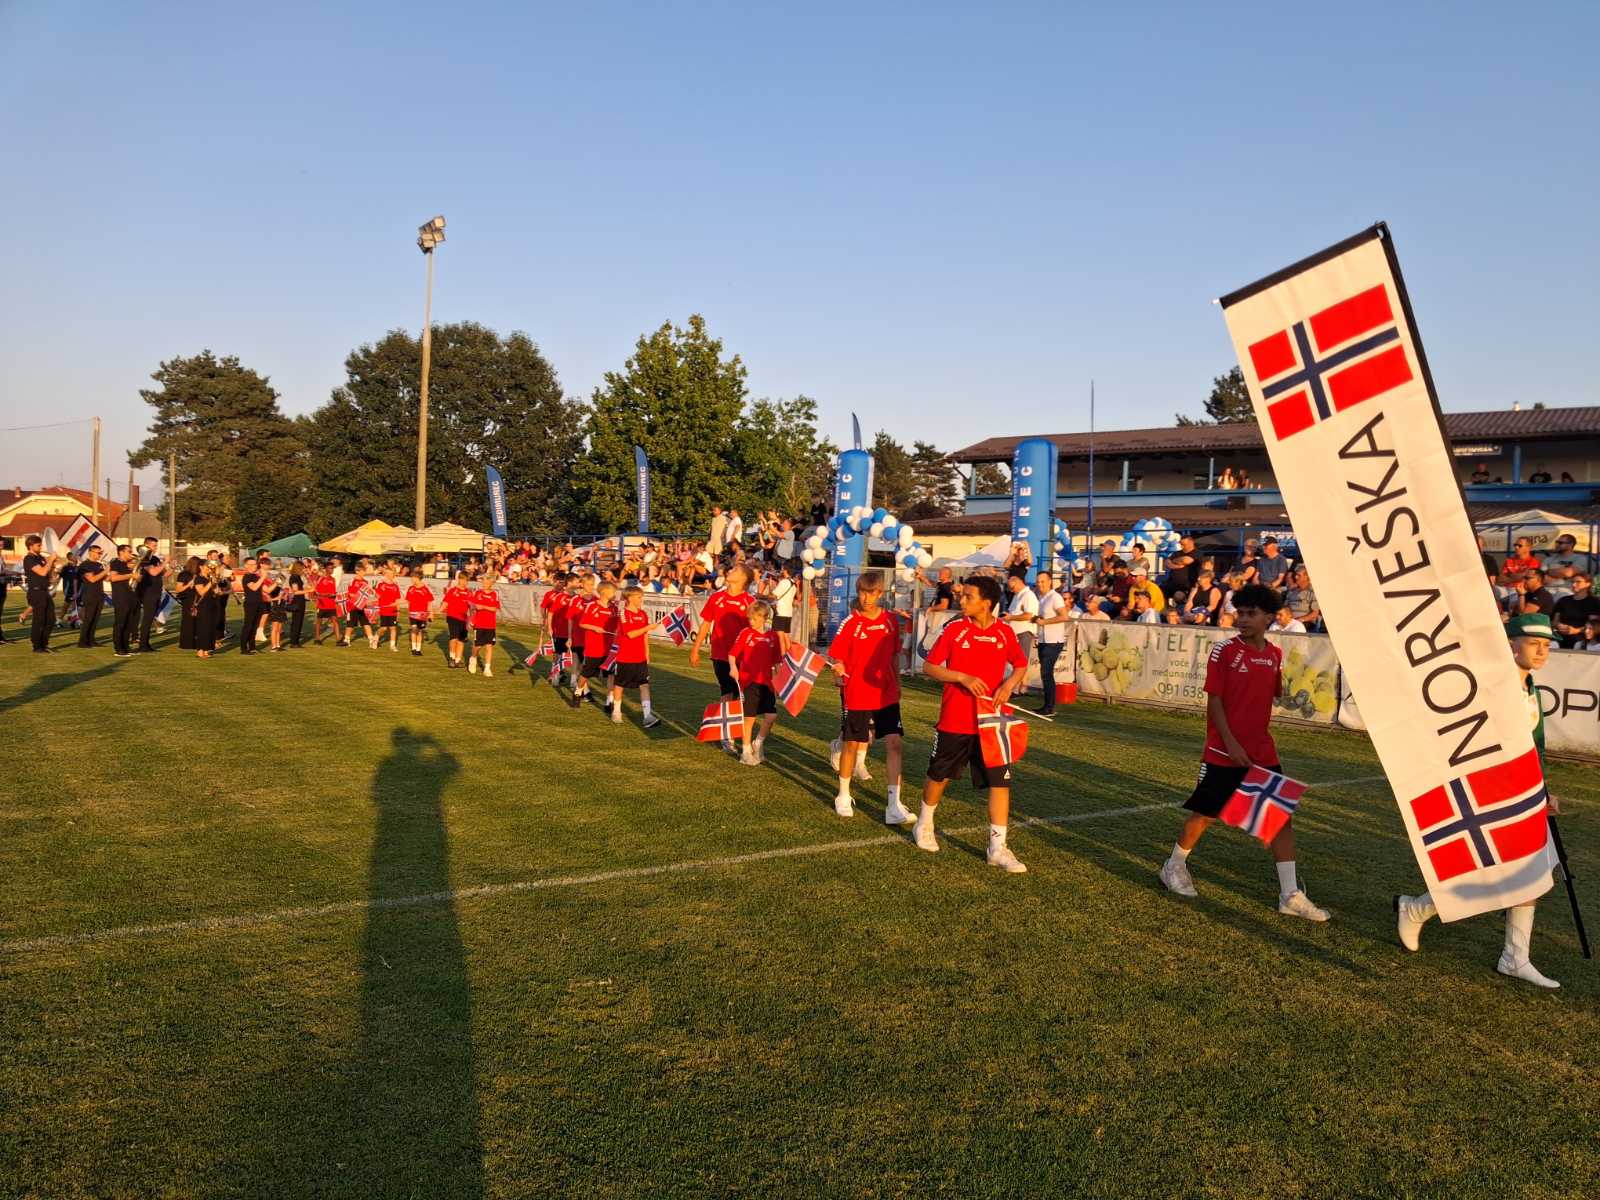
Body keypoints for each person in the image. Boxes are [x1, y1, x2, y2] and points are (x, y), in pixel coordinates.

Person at [1395, 613, 1562, 987]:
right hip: (1488, 793)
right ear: (1511, 645)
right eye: (1533, 643)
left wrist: (1543, 788)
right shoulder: (1492, 687)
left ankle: (1515, 957)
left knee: (1530, 872)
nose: (1541, 651)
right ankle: (1418, 908)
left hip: (1521, 794)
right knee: (1484, 870)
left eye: (1547, 645)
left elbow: (1535, 748)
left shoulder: (1531, 688)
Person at [1158, 584, 1328, 921]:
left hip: (1261, 750)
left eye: (1251, 613)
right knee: (1206, 814)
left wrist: (1298, 699)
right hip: (1223, 751)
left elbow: (1274, 694)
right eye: (1240, 612)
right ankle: (1173, 866)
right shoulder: (1223, 652)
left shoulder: (1275, 654)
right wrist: (1230, 743)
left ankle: (1290, 895)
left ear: (1270, 617)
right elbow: (1215, 701)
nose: (1243, 619)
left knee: (1279, 818)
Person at [912, 575, 1030, 873]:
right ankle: (924, 823)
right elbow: (930, 666)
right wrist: (962, 677)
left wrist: (1008, 685)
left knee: (1000, 782)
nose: (961, 600)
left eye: (967, 596)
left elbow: (1020, 663)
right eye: (961, 595)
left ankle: (997, 848)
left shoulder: (1004, 631)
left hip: (991, 722)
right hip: (955, 719)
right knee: (940, 776)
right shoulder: (955, 629)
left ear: (986, 603)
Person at [826, 572, 911, 821]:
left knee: (895, 744)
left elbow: (894, 655)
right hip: (858, 693)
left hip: (886, 693)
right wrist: (838, 670)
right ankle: (843, 795)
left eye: (871, 593)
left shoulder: (891, 621)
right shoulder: (850, 623)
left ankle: (894, 804)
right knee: (852, 743)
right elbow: (837, 657)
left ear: (880, 594)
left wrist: (897, 682)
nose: (866, 598)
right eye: (862, 592)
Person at [690, 564, 755, 750]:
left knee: (738, 695)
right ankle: (727, 736)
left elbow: (754, 630)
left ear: (743, 578)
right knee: (726, 692)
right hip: (720, 654)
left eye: (734, 570)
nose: (729, 571)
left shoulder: (749, 601)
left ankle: (731, 730)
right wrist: (695, 648)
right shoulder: (716, 597)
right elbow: (705, 624)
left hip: (742, 657)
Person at [729, 599, 785, 765]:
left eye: (754, 618)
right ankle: (745, 751)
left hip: (766, 683)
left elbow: (776, 662)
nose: (751, 621)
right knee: (750, 718)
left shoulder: (772, 636)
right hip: (749, 681)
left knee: (771, 716)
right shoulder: (746, 633)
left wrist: (778, 681)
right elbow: (732, 654)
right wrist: (733, 667)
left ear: (764, 618)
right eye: (750, 618)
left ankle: (758, 743)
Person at [607, 586, 663, 728]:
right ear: (629, 598)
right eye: (638, 597)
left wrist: (647, 653)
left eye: (641, 596)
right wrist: (648, 628)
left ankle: (647, 716)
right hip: (625, 657)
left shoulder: (643, 614)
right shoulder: (624, 614)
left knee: (644, 685)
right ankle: (617, 712)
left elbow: (644, 636)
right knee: (620, 685)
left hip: (640, 658)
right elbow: (631, 634)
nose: (641, 599)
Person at [1033, 570, 1070, 716]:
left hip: (1053, 641)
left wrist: (1044, 622)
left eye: (1042, 581)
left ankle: (1049, 707)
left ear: (1049, 582)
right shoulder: (1042, 598)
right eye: (1038, 582)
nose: (1040, 584)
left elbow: (1064, 616)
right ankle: (1047, 705)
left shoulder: (1055, 597)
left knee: (1046, 673)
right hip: (1043, 639)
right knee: (1045, 674)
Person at [574, 580, 618, 701]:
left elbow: (617, 625)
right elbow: (582, 623)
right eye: (613, 591)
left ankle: (609, 701)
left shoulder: (614, 608)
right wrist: (595, 628)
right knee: (587, 672)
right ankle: (578, 692)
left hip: (609, 647)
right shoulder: (592, 606)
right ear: (604, 592)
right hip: (594, 647)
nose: (615, 593)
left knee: (611, 674)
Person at [1002, 572, 1040, 697]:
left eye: (1012, 587)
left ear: (1018, 583)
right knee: (1018, 661)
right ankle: (1021, 687)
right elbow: (1014, 612)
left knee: (1020, 662)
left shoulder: (1029, 596)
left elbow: (1029, 615)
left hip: (1024, 632)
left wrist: (1011, 617)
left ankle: (1016, 689)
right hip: (1016, 632)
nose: (1011, 590)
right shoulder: (1018, 595)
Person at [22, 535, 57, 653]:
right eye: (38, 545)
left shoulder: (40, 557)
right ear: (31, 546)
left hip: (44, 591)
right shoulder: (29, 559)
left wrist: (52, 566)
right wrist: (50, 560)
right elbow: (42, 572)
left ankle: (44, 643)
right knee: (39, 620)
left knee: (51, 619)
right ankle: (37, 645)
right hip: (36, 591)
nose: (41, 547)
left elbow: (48, 573)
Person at [133, 537, 165, 652]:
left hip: (156, 591)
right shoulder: (145, 558)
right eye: (154, 545)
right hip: (148, 592)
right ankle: (142, 644)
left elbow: (163, 574)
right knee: (147, 619)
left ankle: (146, 643)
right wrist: (165, 563)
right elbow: (153, 572)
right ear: (147, 546)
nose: (156, 548)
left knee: (150, 618)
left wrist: (170, 565)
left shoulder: (155, 558)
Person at [467, 571, 502, 677]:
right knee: (477, 646)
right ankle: (473, 658)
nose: (484, 584)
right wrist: (470, 619)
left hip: (490, 624)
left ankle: (487, 668)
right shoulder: (478, 593)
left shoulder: (494, 594)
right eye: (483, 582)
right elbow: (472, 606)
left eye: (486, 582)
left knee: (489, 646)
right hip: (479, 623)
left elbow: (495, 608)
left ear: (491, 583)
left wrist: (483, 607)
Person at [108, 544, 139, 657]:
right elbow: (113, 578)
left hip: (130, 596)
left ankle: (126, 647)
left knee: (128, 623)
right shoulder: (115, 563)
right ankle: (118, 648)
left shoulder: (126, 565)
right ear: (121, 552)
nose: (131, 554)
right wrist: (131, 575)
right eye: (129, 551)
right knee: (120, 623)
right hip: (120, 597)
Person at [1552, 573, 1597, 648]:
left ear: (1588, 584)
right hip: (1559, 635)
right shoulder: (1564, 600)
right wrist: (1558, 625)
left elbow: (1594, 625)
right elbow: (1555, 621)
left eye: (1578, 582)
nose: (1573, 584)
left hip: (1581, 636)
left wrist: (1576, 630)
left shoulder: (1593, 602)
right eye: (1572, 582)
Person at [76, 545, 108, 648]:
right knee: (89, 619)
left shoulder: (99, 565)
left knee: (95, 618)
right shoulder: (85, 565)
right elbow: (92, 579)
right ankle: (82, 641)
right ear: (91, 552)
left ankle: (91, 640)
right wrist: (105, 571)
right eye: (98, 553)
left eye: (101, 553)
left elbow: (104, 578)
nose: (100, 555)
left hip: (99, 593)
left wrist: (108, 572)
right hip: (90, 594)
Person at [442, 570, 473, 668]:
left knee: (461, 640)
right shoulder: (452, 591)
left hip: (464, 619)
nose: (464, 582)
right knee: (454, 638)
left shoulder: (469, 593)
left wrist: (471, 620)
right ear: (459, 579)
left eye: (466, 580)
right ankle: (452, 658)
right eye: (462, 580)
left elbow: (472, 607)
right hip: (452, 617)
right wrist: (436, 611)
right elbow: (445, 603)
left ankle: (458, 660)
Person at [238, 557, 267, 654]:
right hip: (250, 603)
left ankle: (252, 646)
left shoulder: (256, 576)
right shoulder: (247, 577)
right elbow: (254, 588)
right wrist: (262, 577)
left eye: (255, 564)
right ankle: (243, 648)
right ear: (246, 566)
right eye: (251, 564)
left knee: (255, 626)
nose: (254, 566)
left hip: (259, 602)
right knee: (248, 625)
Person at [343, 565, 376, 649]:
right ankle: (346, 640)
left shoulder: (365, 582)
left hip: (361, 607)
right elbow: (350, 594)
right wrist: (359, 598)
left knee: (366, 623)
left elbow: (367, 594)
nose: (363, 573)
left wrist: (368, 600)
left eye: (364, 571)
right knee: (350, 624)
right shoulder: (352, 581)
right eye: (362, 571)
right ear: (357, 571)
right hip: (352, 606)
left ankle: (371, 640)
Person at [174, 556, 202, 650]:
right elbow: (178, 589)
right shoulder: (184, 574)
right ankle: (186, 643)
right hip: (188, 599)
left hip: (197, 598)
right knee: (188, 621)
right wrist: (189, 584)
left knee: (196, 621)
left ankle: (195, 641)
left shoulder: (198, 574)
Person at [374, 563, 403, 653]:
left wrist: (398, 610)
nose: (391, 576)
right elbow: (377, 595)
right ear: (385, 575)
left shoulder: (395, 586)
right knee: (384, 628)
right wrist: (374, 591)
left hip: (393, 610)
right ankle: (376, 638)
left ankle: (392, 645)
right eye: (389, 574)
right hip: (384, 609)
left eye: (392, 574)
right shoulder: (381, 584)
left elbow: (398, 599)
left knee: (393, 628)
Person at [193, 563, 220, 659]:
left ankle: (206, 649)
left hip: (212, 604)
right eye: (207, 566)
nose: (209, 568)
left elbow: (217, 591)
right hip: (203, 606)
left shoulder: (209, 578)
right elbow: (201, 592)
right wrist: (210, 582)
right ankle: (200, 650)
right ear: (200, 567)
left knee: (210, 628)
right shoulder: (198, 578)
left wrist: (215, 582)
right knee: (203, 628)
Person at [405, 568, 433, 657]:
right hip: (413, 613)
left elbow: (429, 602)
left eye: (413, 578)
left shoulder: (425, 589)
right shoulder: (411, 588)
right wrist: (408, 611)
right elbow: (408, 600)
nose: (411, 580)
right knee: (414, 629)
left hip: (422, 614)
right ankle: (413, 648)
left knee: (420, 631)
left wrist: (430, 613)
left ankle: (418, 649)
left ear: (417, 578)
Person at [1283, 567, 1321, 631]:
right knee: (1274, 627)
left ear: (1307, 577)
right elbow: (1285, 608)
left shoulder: (1313, 592)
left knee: (1294, 629)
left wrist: (1300, 620)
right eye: (1295, 575)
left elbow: (1315, 613)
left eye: (1299, 575)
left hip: (1305, 622)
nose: (1296, 577)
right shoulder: (1291, 591)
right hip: (1290, 621)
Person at [313, 566, 341, 645]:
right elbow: (316, 592)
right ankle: (317, 639)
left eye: (332, 568)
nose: (332, 570)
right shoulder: (320, 579)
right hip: (322, 603)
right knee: (319, 621)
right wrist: (326, 595)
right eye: (330, 568)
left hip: (331, 604)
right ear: (326, 569)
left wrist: (336, 598)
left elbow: (333, 591)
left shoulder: (333, 579)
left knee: (335, 621)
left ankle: (338, 640)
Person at [287, 561, 308, 648]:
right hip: (297, 601)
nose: (304, 569)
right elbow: (295, 591)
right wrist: (308, 591)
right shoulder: (294, 577)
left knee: (299, 622)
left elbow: (300, 588)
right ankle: (293, 642)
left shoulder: (298, 577)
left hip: (301, 600)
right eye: (303, 568)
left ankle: (296, 641)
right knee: (296, 621)